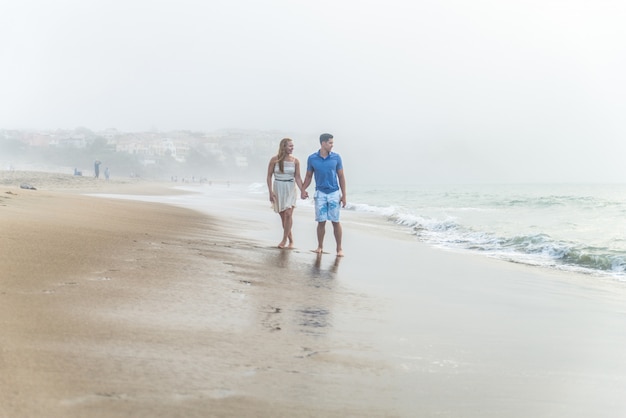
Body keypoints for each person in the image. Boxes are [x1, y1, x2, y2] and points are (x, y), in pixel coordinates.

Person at [301, 133, 346, 256]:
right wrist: (303, 189)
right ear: (323, 143)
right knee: (321, 222)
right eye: (330, 143)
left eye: (332, 143)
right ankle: (320, 246)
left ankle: (339, 249)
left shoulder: (336, 157)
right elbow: (309, 176)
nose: (332, 145)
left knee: (335, 221)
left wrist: (344, 195)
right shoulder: (312, 158)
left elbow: (341, 176)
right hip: (320, 193)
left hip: (334, 193)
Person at [266, 137, 304, 249]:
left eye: (293, 146)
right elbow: (269, 176)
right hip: (278, 188)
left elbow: (297, 177)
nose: (293, 148)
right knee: (283, 218)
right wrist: (270, 192)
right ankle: (291, 240)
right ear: (284, 146)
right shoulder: (274, 160)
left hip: (290, 188)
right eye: (290, 146)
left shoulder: (295, 161)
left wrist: (303, 190)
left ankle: (284, 240)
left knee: (288, 214)